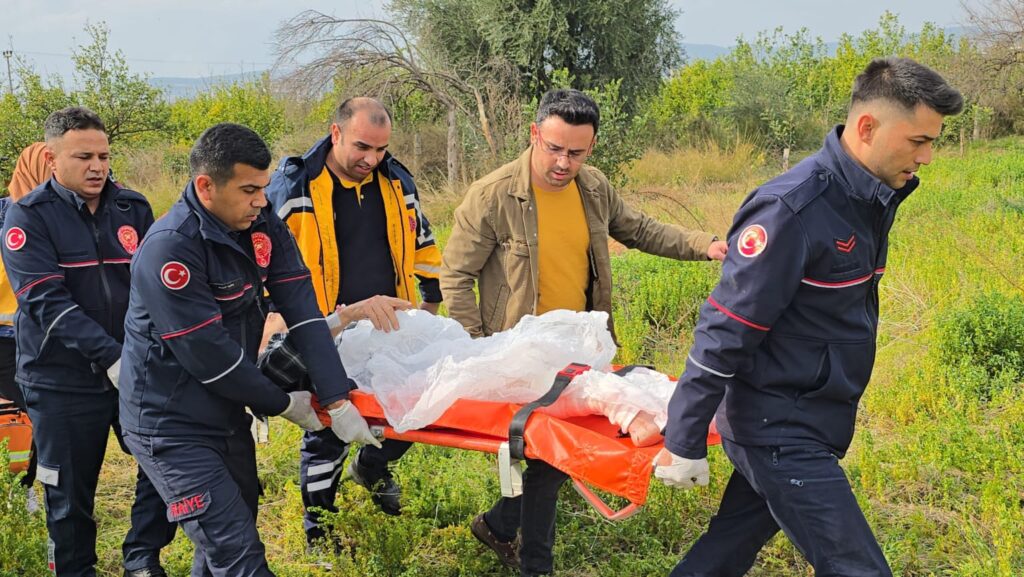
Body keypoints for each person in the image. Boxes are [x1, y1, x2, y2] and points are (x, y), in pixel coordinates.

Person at [655, 57, 963, 577]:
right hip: (779, 428)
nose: (928, 157)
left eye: (933, 142)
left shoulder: (867, 196)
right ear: (868, 128)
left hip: (811, 416)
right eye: (918, 141)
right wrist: (683, 437)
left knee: (724, 552)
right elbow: (725, 327)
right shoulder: (791, 210)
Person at [440, 88, 727, 577]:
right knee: (551, 460)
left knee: (552, 458)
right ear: (535, 134)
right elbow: (455, 276)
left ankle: (499, 526)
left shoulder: (592, 188)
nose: (562, 162)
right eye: (553, 148)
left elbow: (641, 229)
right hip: (520, 352)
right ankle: (534, 563)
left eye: (576, 152)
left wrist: (708, 245)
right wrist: (479, 349)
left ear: (590, 147)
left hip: (579, 350)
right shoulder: (493, 196)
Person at [118, 122, 380, 577]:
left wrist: (336, 397)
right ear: (206, 186)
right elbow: (210, 356)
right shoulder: (170, 251)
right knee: (239, 557)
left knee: (224, 548)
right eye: (249, 190)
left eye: (263, 187)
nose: (263, 199)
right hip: (170, 426)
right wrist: (283, 404)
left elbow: (303, 308)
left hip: (224, 413)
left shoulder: (260, 222)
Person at [0, 108, 176, 577]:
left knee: (165, 465)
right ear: (53, 159)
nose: (97, 166)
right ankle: (76, 569)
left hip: (135, 373)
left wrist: (145, 354)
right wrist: (111, 356)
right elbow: (44, 302)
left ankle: (142, 557)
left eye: (103, 156)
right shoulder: (27, 216)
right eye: (83, 157)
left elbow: (154, 288)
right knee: (68, 495)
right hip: (61, 381)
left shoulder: (132, 208)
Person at [265, 97, 443, 538]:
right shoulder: (296, 187)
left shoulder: (397, 180)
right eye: (363, 146)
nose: (372, 159)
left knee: (408, 411)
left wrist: (432, 301)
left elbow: (423, 239)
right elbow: (263, 260)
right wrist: (274, 319)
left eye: (381, 149)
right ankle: (318, 529)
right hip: (325, 328)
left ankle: (372, 467)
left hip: (389, 324)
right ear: (336, 132)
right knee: (329, 430)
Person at [0, 142, 51, 502]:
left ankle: (30, 492)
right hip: (5, 338)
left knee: (38, 418)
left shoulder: (61, 219)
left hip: (42, 337)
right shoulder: (5, 216)